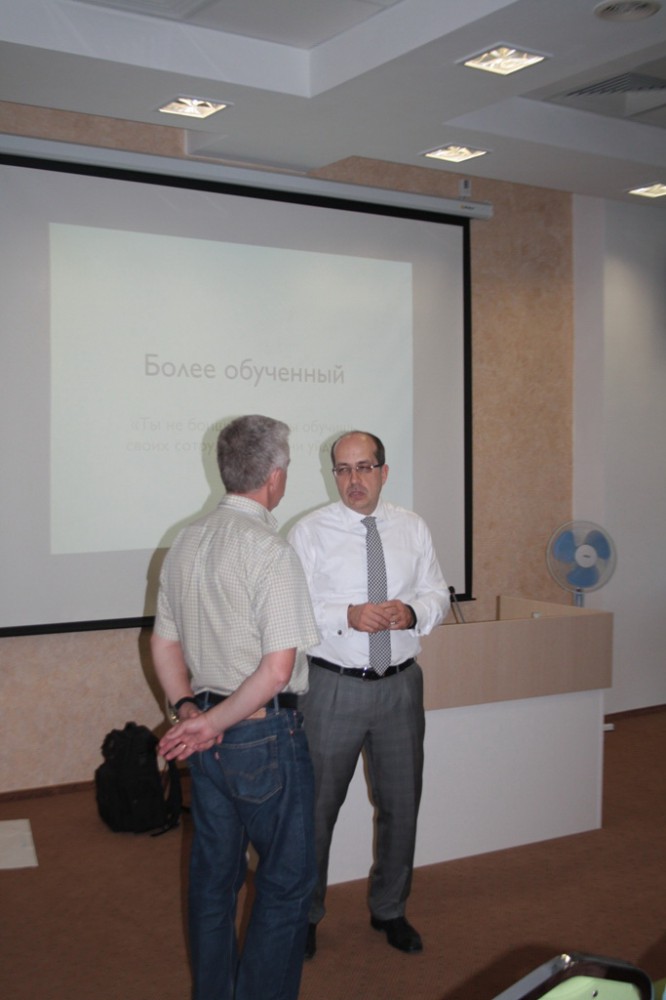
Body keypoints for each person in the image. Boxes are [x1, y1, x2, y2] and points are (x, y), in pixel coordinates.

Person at [152, 414, 321, 1000]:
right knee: (287, 883)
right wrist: (210, 725)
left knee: (213, 881)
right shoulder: (269, 551)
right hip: (261, 736)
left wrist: (190, 714)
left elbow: (164, 643)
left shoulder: (185, 540)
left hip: (208, 734)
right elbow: (277, 671)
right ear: (274, 477)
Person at [287, 430, 450, 959]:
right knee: (316, 811)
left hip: (400, 686)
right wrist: (348, 616)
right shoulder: (309, 531)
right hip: (332, 688)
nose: (353, 479)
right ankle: (304, 914)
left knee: (402, 804)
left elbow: (437, 592)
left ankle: (390, 909)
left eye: (363, 467)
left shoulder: (412, 527)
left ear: (384, 471)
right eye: (343, 469)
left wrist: (414, 611)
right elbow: (292, 608)